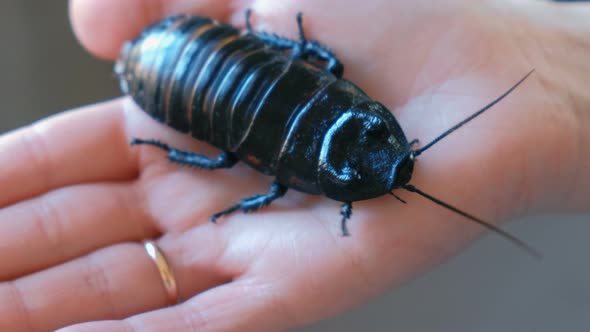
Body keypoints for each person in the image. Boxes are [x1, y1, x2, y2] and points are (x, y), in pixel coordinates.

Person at [0, 0, 588, 330]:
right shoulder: (296, 174)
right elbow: (261, 168)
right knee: (228, 156)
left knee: (228, 157)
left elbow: (320, 62)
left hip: (209, 64)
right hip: (190, 66)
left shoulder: (333, 96)